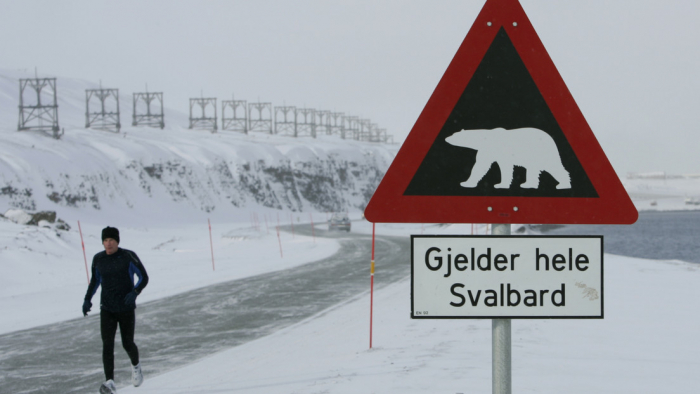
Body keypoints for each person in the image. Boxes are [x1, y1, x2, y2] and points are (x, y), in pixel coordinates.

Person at [83, 226, 149, 394]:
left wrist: (134, 293)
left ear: (117, 241)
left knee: (127, 343)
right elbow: (95, 282)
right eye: (105, 240)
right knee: (107, 345)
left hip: (126, 308)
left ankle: (136, 367)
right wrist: (87, 300)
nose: (108, 243)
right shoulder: (98, 259)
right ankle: (110, 382)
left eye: (111, 240)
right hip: (107, 309)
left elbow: (143, 277)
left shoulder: (127, 256)